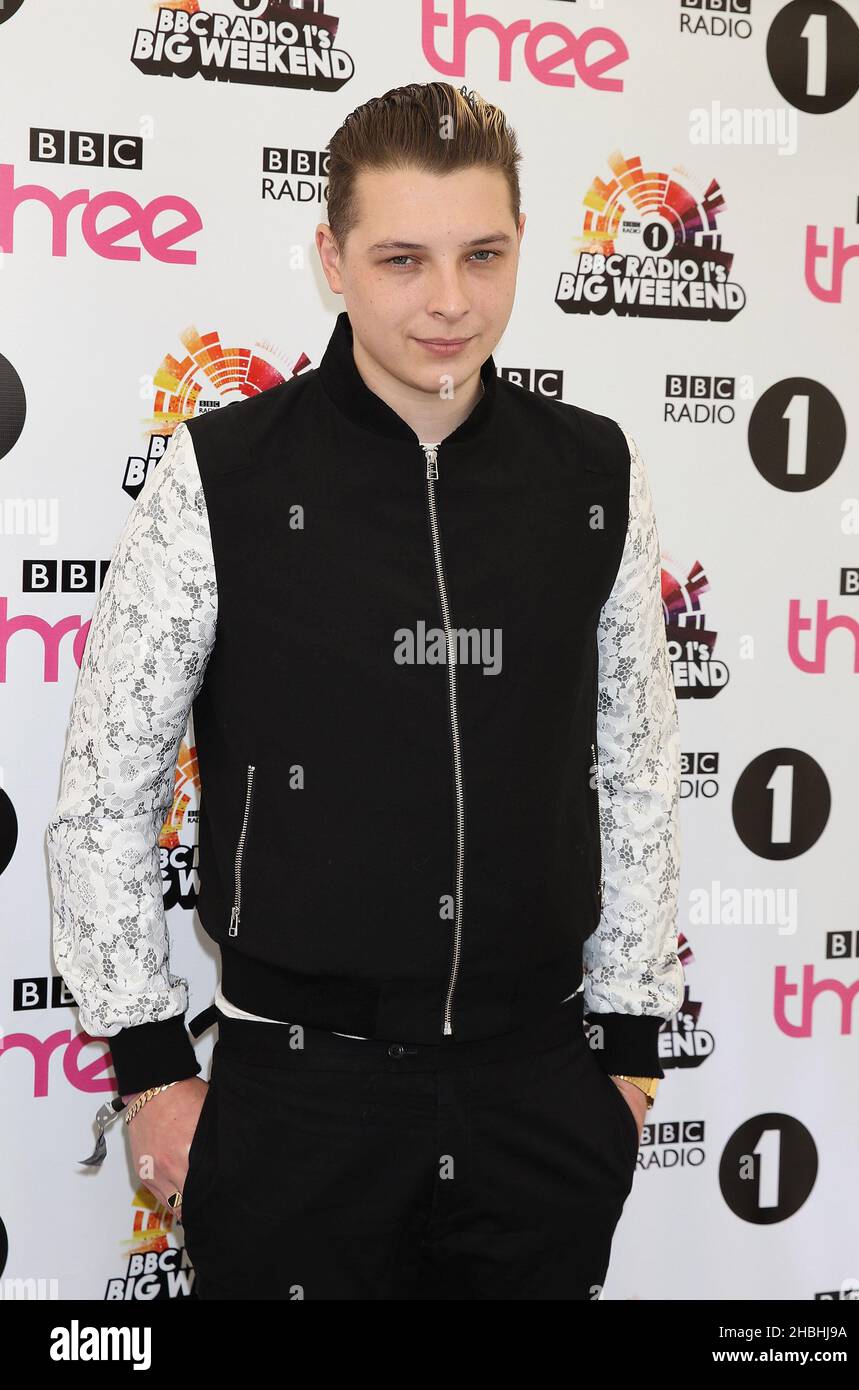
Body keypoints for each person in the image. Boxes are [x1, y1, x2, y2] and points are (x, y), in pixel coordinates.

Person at [46, 81, 684, 1300]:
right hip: (298, 1103)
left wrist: (629, 1058)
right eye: (403, 258)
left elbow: (638, 762)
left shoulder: (595, 473)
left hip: (540, 1091)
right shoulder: (219, 479)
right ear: (331, 258)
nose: (449, 300)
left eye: (482, 254)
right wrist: (149, 1063)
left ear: (520, 249)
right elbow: (105, 794)